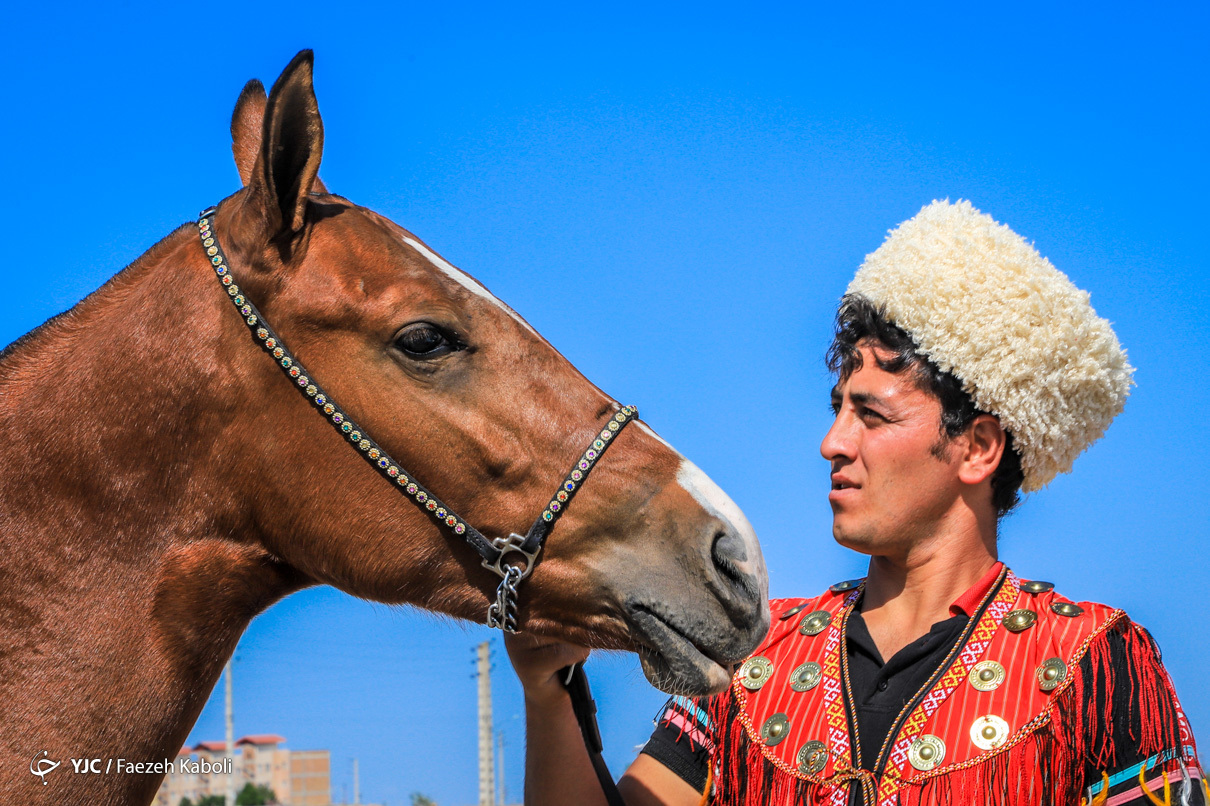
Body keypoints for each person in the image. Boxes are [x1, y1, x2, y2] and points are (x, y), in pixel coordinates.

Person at [506, 200, 1205, 806]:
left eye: (871, 415)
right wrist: (549, 690)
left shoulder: (1092, 660)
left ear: (978, 448)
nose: (832, 442)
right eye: (837, 409)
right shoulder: (752, 654)